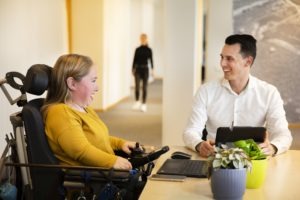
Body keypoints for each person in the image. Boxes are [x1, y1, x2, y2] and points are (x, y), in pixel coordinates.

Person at [183, 34, 293, 158]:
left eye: (229, 59)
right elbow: (190, 131)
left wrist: (273, 147)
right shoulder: (206, 91)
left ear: (248, 61)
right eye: (222, 57)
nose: (222, 64)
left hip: (253, 161)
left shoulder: (269, 93)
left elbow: (283, 133)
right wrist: (199, 144)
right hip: (215, 160)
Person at [42, 54, 137, 170]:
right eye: (93, 81)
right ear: (72, 83)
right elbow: (81, 150)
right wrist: (113, 161)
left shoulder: (84, 109)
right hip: (88, 183)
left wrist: (120, 143)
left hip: (102, 175)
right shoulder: (60, 112)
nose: (97, 88)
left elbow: (99, 139)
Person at [132, 33, 154, 112]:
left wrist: (152, 70)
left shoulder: (149, 50)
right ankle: (137, 101)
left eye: (144, 38)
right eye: (142, 38)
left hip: (145, 70)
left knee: (144, 87)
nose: (143, 39)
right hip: (138, 69)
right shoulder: (137, 49)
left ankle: (144, 104)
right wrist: (132, 69)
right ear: (140, 39)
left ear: (146, 39)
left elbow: (151, 60)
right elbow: (134, 60)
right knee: (137, 86)